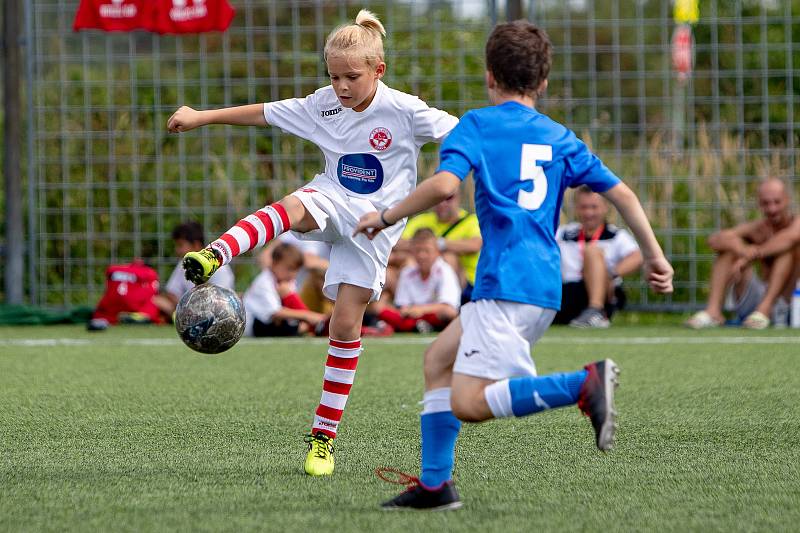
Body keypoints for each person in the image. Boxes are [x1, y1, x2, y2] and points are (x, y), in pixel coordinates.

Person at [354, 20, 673, 510]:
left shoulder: (476, 126)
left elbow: (444, 187)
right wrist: (656, 257)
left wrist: (385, 215)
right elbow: (623, 194)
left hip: (504, 284)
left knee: (469, 402)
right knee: (437, 360)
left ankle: (582, 384)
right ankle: (436, 486)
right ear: (542, 82)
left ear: (489, 76)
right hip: (541, 284)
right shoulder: (560, 136)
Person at [166, 10, 459, 476]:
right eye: (333, 76)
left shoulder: (406, 110)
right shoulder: (323, 104)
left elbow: (463, 133)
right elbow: (264, 113)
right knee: (292, 207)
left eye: (352, 77)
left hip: (376, 227)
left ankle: (323, 438)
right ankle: (215, 253)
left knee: (343, 327)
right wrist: (202, 117)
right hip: (331, 197)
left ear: (378, 71)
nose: (341, 86)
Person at [685, 178, 796, 329]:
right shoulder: (757, 227)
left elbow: (787, 239)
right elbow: (715, 239)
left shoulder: (796, 222)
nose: (772, 209)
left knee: (785, 251)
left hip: (790, 301)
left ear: (787, 200)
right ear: (759, 204)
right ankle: (713, 312)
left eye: (777, 202)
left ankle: (765, 310)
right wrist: (742, 250)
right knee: (727, 250)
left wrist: (748, 257)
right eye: (765, 203)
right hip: (757, 296)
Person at [554, 186, 643, 328]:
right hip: (567, 292)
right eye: (584, 207)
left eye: (594, 207)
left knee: (592, 251)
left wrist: (610, 274)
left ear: (605, 208)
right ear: (577, 208)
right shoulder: (564, 233)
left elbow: (637, 257)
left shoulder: (615, 235)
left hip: (602, 291)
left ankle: (596, 310)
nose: (589, 213)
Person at [397, 188, 482, 301]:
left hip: (466, 286)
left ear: (458, 198)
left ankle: (447, 303)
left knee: (448, 258)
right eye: (437, 199)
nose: (442, 203)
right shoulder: (422, 219)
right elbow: (397, 244)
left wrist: (438, 244)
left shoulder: (471, 221)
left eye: (448, 198)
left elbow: (475, 245)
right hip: (422, 284)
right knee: (406, 261)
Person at [374, 228, 461, 333]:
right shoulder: (407, 272)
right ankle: (418, 326)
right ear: (412, 252)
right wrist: (410, 311)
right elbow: (402, 305)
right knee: (378, 307)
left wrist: (420, 310)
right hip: (411, 315)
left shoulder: (444, 270)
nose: (422, 255)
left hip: (433, 314)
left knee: (448, 313)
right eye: (418, 251)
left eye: (427, 251)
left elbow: (449, 306)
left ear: (437, 252)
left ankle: (412, 326)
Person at [151, 221, 235, 320]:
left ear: (196, 245)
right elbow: (172, 294)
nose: (177, 250)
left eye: (180, 245)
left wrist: (179, 308)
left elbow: (219, 305)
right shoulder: (184, 263)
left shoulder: (220, 268)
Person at [243, 243, 327, 337]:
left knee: (293, 323)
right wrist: (307, 316)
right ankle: (303, 329)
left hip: (271, 322)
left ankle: (307, 328)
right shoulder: (264, 281)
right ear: (274, 264)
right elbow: (275, 313)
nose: (293, 275)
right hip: (253, 325)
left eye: (296, 270)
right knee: (286, 325)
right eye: (289, 269)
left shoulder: (286, 282)